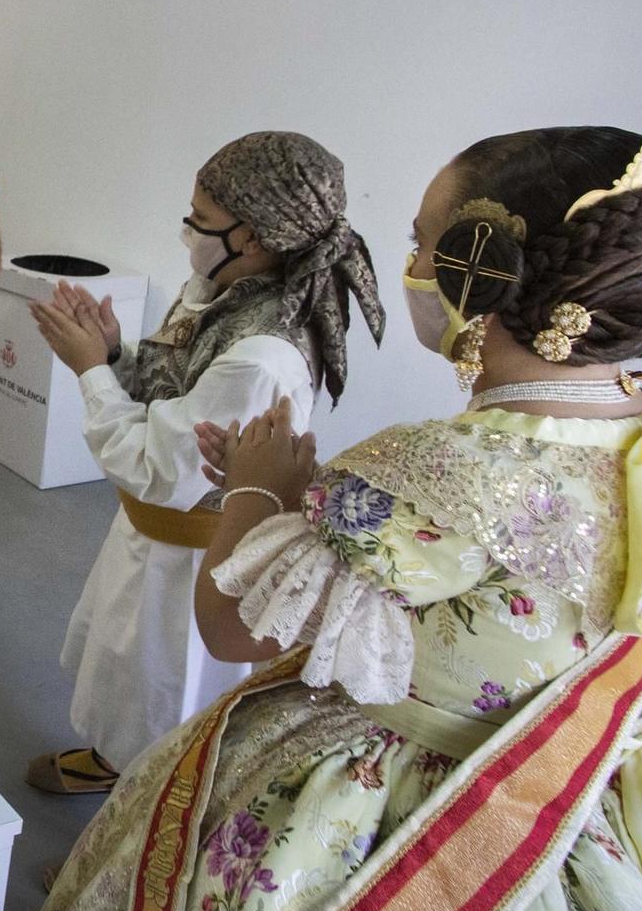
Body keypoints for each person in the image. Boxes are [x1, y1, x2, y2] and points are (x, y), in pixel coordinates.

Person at [11, 121, 642, 911]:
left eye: (420, 242)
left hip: (417, 810)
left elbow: (231, 625)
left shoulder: (426, 470)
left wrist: (260, 495)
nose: (405, 261)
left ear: (475, 271)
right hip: (603, 783)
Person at [23, 133, 384, 797]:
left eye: (200, 220)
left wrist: (88, 371)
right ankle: (116, 760)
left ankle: (138, 836)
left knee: (165, 698)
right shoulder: (235, 292)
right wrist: (114, 354)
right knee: (129, 677)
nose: (188, 231)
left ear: (255, 237)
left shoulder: (261, 354)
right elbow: (181, 395)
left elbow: (154, 467)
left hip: (191, 557)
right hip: (157, 536)